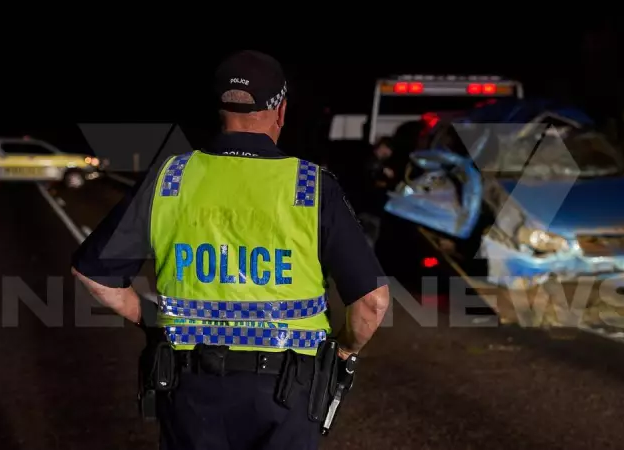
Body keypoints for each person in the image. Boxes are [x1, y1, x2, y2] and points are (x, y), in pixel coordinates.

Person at [70, 50, 390, 450]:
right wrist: (343, 350)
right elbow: (373, 303)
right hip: (288, 391)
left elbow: (93, 273)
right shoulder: (310, 186)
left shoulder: (171, 177)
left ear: (219, 109)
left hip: (190, 388)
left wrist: (155, 320)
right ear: (281, 111)